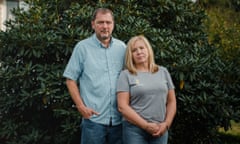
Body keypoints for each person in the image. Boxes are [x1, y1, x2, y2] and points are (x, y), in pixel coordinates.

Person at [63, 8, 126, 144]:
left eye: (108, 22)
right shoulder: (82, 48)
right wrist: (81, 107)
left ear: (113, 24)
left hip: (120, 120)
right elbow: (70, 79)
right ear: (93, 24)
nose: (105, 26)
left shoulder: (122, 48)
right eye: (100, 22)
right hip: (93, 121)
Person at [117, 35, 176, 144]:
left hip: (160, 129)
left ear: (148, 49)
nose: (139, 52)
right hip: (134, 130)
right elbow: (122, 107)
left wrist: (166, 124)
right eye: (134, 50)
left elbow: (172, 101)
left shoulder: (163, 72)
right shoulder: (126, 75)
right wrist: (145, 125)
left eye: (142, 48)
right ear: (131, 55)